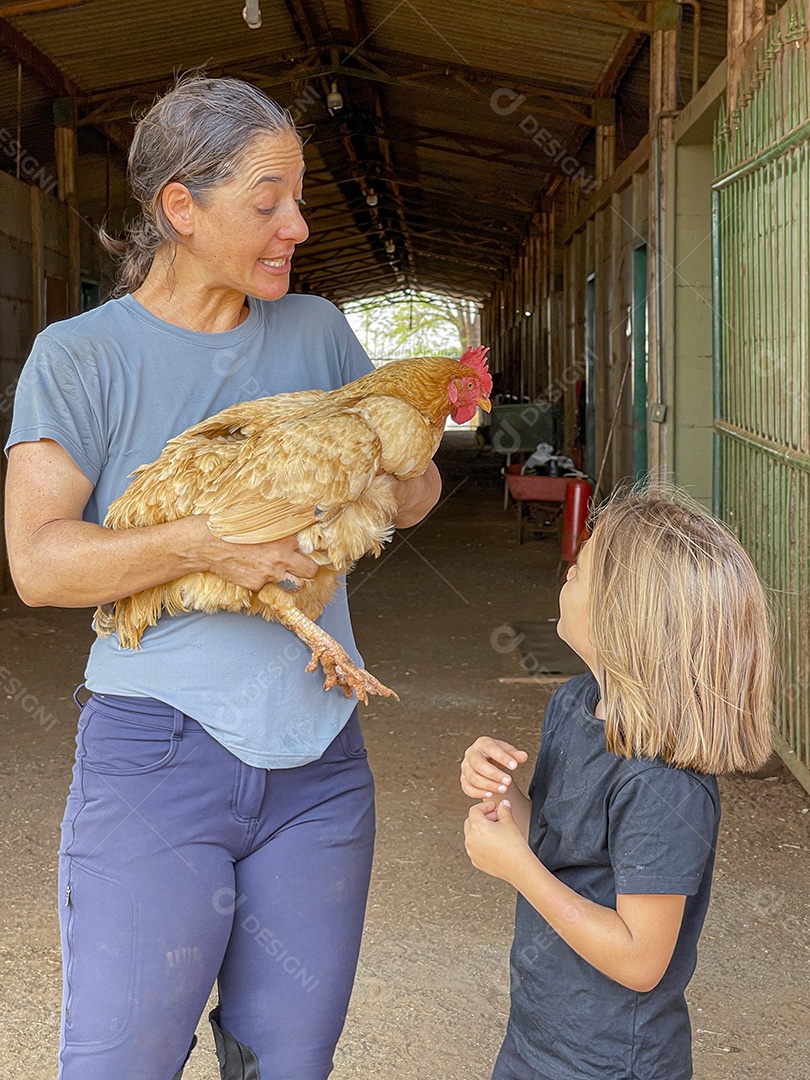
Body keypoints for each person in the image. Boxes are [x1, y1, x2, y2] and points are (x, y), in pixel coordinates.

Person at [4, 75, 440, 1080]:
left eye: (299, 199)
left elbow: (406, 507)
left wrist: (406, 448)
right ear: (180, 209)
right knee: (121, 1061)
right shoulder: (79, 359)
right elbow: (38, 562)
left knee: (285, 1064)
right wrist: (208, 543)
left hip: (319, 770)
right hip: (156, 760)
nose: (295, 223)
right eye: (268, 201)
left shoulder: (320, 333)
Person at [460, 488, 773, 1080]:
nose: (569, 568)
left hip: (611, 1061)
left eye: (584, 567)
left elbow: (640, 960)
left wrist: (516, 869)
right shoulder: (574, 703)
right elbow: (561, 845)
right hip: (538, 1034)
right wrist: (503, 796)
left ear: (624, 615)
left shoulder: (663, 785)